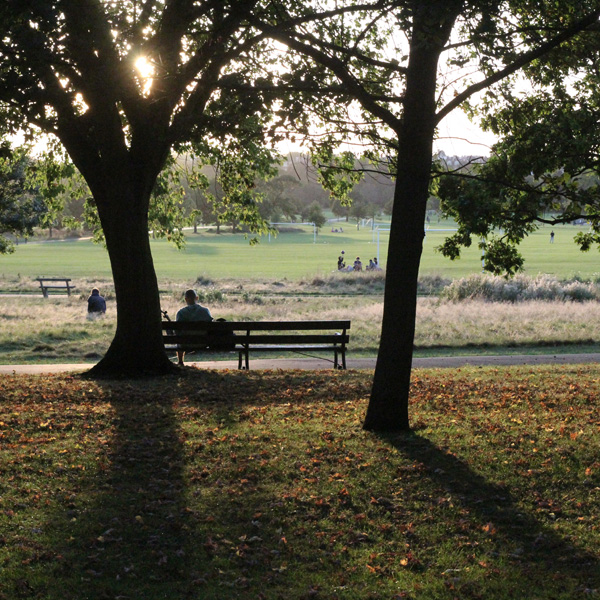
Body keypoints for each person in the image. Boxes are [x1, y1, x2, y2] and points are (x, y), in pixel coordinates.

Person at [176, 289, 213, 365]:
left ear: (186, 299)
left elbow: (177, 331)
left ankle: (180, 361)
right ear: (197, 298)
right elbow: (211, 328)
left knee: (179, 338)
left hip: (185, 343)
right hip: (203, 343)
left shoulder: (181, 313)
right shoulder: (205, 311)